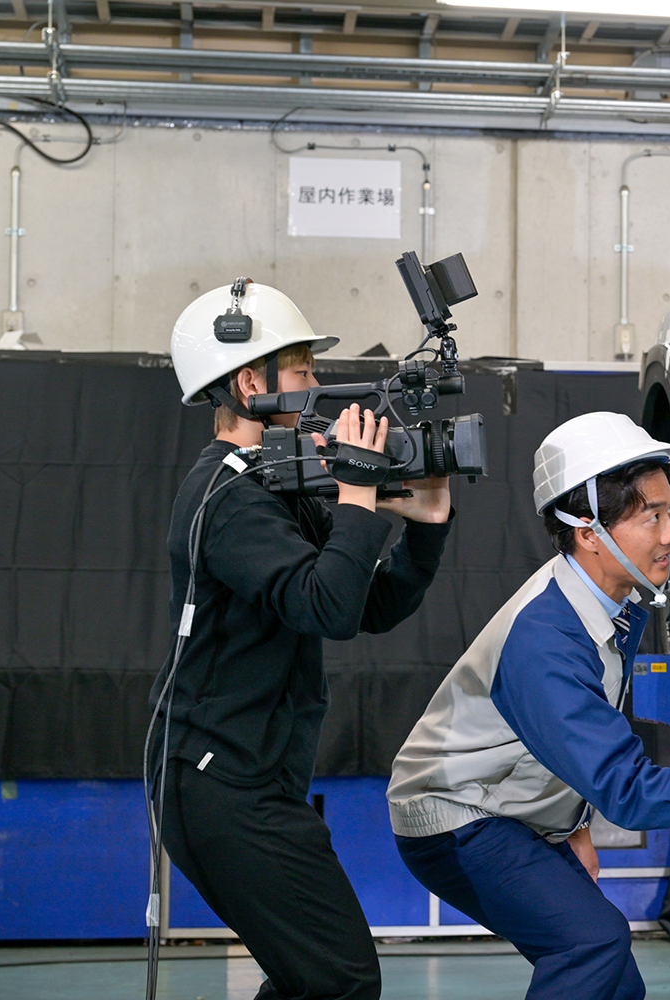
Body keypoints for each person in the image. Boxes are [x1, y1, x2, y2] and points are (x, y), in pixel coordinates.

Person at [388, 411, 670, 1000]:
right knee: (591, 944)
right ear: (588, 533)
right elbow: (630, 793)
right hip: (454, 817)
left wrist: (572, 824)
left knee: (613, 982)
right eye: (651, 516)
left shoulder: (615, 601)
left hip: (510, 809)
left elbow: (580, 737)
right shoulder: (545, 644)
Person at [154, 279, 454, 1000]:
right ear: (251, 382)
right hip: (222, 790)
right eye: (303, 369)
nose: (316, 384)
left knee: (312, 980)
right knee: (340, 979)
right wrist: (354, 497)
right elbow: (323, 605)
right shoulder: (226, 498)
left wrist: (426, 521)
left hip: (253, 784)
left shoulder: (270, 486)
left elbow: (364, 605)